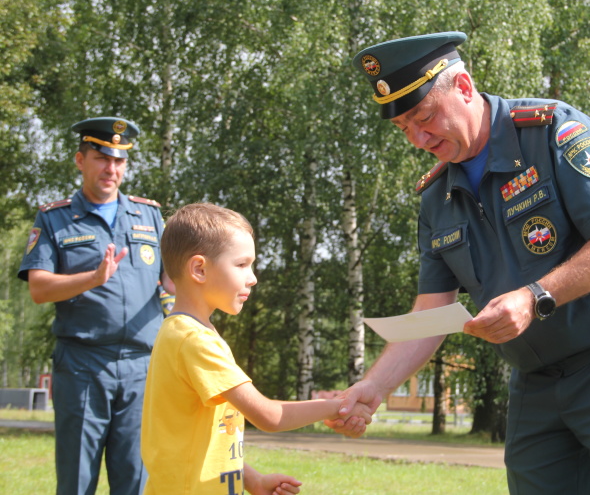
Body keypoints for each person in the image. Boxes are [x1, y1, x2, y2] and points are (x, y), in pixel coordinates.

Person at [328, 32, 590, 494]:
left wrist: (535, 298)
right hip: (537, 380)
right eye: (403, 128)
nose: (418, 139)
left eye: (424, 117)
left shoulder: (552, 132)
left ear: (463, 87)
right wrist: (374, 387)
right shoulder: (435, 198)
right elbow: (432, 313)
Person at [141, 203, 371, 495]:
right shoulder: (194, 341)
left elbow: (210, 436)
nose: (253, 277)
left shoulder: (190, 333)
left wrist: (252, 480)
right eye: (241, 264)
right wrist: (339, 406)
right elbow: (269, 416)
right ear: (199, 268)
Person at [18, 117, 171, 495]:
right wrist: (92, 278)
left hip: (140, 367)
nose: (111, 169)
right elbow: (38, 288)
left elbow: (173, 284)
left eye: (119, 162)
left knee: (135, 479)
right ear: (80, 160)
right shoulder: (54, 218)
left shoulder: (148, 215)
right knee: (77, 478)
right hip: (83, 365)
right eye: (102, 159)